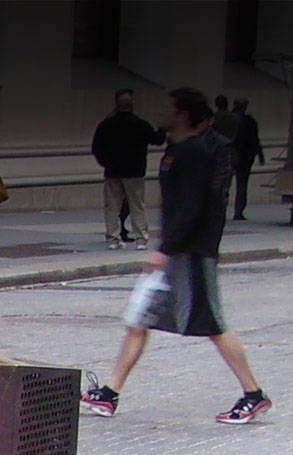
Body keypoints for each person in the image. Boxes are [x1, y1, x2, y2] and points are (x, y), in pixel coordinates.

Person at [81, 87, 270, 424]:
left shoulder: (194, 152)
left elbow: (194, 206)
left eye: (168, 107)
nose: (161, 112)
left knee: (213, 323)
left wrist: (165, 248)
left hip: (190, 253)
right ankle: (109, 393)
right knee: (139, 320)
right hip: (174, 253)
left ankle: (253, 394)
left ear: (184, 114)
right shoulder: (178, 150)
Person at [91, 88, 163, 250]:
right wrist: (162, 127)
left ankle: (113, 238)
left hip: (113, 170)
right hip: (134, 171)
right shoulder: (140, 124)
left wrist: (105, 162)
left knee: (112, 206)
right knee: (137, 204)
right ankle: (141, 238)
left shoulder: (106, 125)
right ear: (131, 106)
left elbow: (96, 147)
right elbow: (157, 140)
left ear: (117, 105)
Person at [231, 98, 264, 220]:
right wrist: (260, 155)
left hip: (229, 154)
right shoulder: (250, 121)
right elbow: (255, 140)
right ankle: (238, 211)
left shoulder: (227, 120)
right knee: (242, 183)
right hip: (245, 156)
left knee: (223, 183)